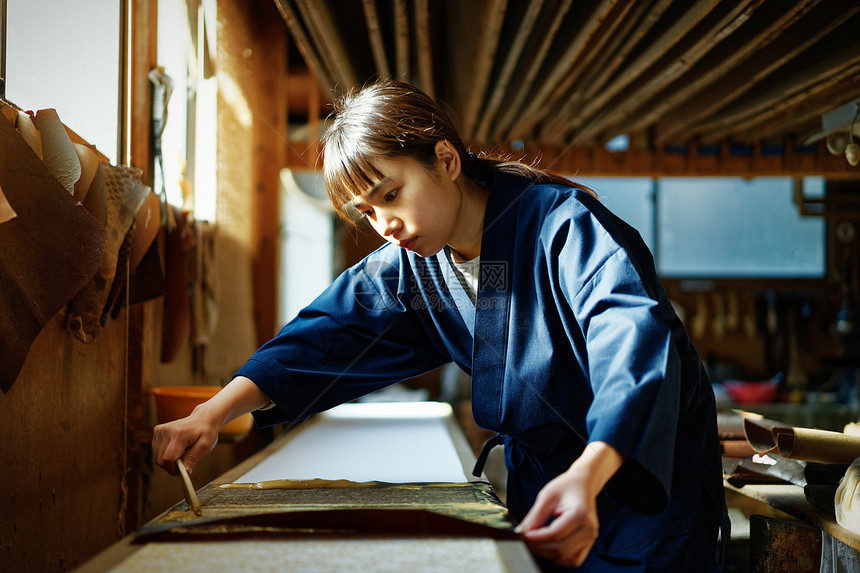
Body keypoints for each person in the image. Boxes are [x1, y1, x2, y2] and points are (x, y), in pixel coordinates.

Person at [152, 78, 728, 571]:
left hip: (635, 493)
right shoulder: (415, 267)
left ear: (447, 161)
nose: (386, 225)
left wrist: (589, 474)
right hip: (550, 493)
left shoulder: (562, 228)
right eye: (368, 213)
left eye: (392, 195)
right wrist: (212, 413)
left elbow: (632, 347)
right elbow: (323, 337)